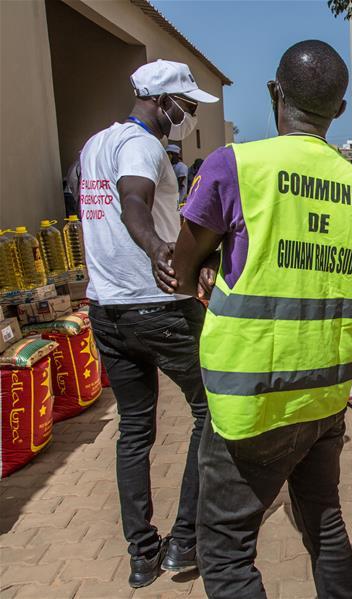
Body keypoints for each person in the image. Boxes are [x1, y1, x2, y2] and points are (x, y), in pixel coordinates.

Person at [171, 40, 352, 598]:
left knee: (225, 552)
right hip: (324, 396)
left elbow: (179, 268)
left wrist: (211, 262)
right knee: (325, 523)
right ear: (339, 110)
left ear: (275, 92)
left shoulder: (236, 166)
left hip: (253, 403)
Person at [78, 59, 218, 588]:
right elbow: (133, 200)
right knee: (211, 408)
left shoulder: (94, 145)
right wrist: (158, 246)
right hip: (156, 305)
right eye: (187, 104)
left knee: (134, 429)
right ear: (162, 101)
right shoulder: (143, 146)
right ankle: (184, 541)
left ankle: (141, 554)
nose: (189, 114)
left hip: (106, 309)